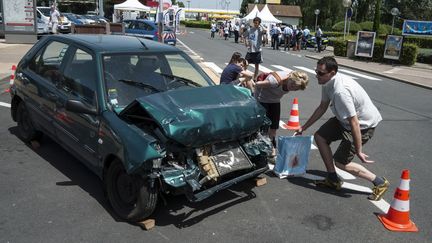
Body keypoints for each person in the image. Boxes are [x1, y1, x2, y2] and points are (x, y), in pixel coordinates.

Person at [296, 56, 389, 201]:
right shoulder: (327, 83)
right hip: (343, 120)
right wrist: (304, 127)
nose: (316, 75)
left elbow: (354, 122)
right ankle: (333, 179)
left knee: (341, 162)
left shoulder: (341, 91)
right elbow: (322, 107)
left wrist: (358, 150)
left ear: (332, 73)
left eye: (320, 73)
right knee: (320, 137)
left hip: (363, 125)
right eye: (316, 71)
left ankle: (379, 182)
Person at [254, 69, 309, 160]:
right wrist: (256, 101)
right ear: (290, 79)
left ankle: (272, 148)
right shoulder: (274, 81)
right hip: (262, 100)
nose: (292, 88)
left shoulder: (293, 79)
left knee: (274, 128)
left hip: (275, 101)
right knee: (263, 128)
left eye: (296, 89)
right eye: (292, 85)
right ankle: (259, 150)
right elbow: (256, 84)